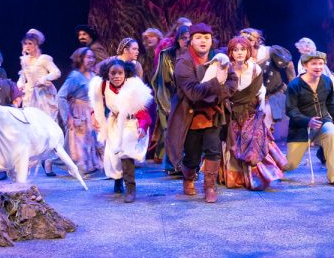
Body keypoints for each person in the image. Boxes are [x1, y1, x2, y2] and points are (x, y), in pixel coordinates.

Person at [166, 23, 238, 203]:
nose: (203, 41)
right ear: (191, 40)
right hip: (191, 115)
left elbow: (232, 82)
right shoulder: (184, 63)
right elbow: (193, 92)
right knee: (192, 155)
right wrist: (216, 83)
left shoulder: (219, 58)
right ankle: (188, 177)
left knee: (213, 150)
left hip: (213, 113)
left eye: (207, 37)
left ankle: (209, 187)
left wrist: (219, 92)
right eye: (198, 37)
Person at [221, 37, 287, 190]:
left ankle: (257, 178)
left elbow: (259, 90)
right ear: (230, 52)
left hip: (251, 110)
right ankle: (235, 178)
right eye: (235, 50)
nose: (239, 53)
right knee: (232, 143)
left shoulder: (254, 68)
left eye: (242, 49)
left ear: (248, 51)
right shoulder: (226, 68)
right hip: (232, 111)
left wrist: (261, 109)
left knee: (254, 140)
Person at [89, 59, 152, 203]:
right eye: (113, 73)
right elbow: (97, 102)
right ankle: (118, 180)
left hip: (131, 123)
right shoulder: (103, 85)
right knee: (113, 156)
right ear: (107, 74)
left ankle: (130, 188)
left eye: (120, 73)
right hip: (115, 122)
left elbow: (143, 110)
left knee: (125, 152)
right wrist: (94, 115)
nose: (116, 76)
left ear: (125, 74)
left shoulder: (133, 86)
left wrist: (142, 126)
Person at [284, 51, 334, 187]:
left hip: (323, 122)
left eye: (320, 64)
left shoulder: (326, 81)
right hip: (300, 128)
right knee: (290, 164)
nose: (318, 67)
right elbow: (291, 110)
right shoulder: (295, 85)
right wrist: (307, 121)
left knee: (332, 135)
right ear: (305, 65)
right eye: (314, 64)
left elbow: (331, 102)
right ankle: (272, 165)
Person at [17, 29, 61, 175]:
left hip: (44, 96)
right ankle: (28, 164)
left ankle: (48, 163)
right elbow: (23, 77)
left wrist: (44, 79)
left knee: (48, 129)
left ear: (36, 44)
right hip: (30, 96)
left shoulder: (44, 59)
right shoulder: (24, 60)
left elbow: (56, 72)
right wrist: (20, 83)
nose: (27, 46)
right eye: (25, 43)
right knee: (31, 130)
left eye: (30, 43)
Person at [240, 28, 295, 139]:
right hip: (252, 99)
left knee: (264, 127)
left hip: (274, 95)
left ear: (255, 41)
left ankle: (263, 152)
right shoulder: (241, 57)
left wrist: (292, 84)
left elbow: (289, 64)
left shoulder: (269, 52)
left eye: (247, 40)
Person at [57, 47, 103, 174]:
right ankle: (55, 163)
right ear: (80, 59)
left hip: (91, 112)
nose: (91, 60)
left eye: (93, 57)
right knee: (79, 143)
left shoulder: (93, 75)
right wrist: (68, 116)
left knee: (92, 141)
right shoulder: (75, 76)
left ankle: (88, 166)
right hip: (79, 111)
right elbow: (61, 96)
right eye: (88, 57)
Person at [150, 25, 190, 170]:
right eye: (183, 38)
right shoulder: (166, 55)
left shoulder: (194, 56)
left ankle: (184, 166)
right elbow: (161, 82)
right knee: (169, 133)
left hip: (187, 100)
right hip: (167, 96)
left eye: (189, 38)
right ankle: (171, 166)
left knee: (186, 134)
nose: (186, 41)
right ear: (177, 39)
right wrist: (166, 106)